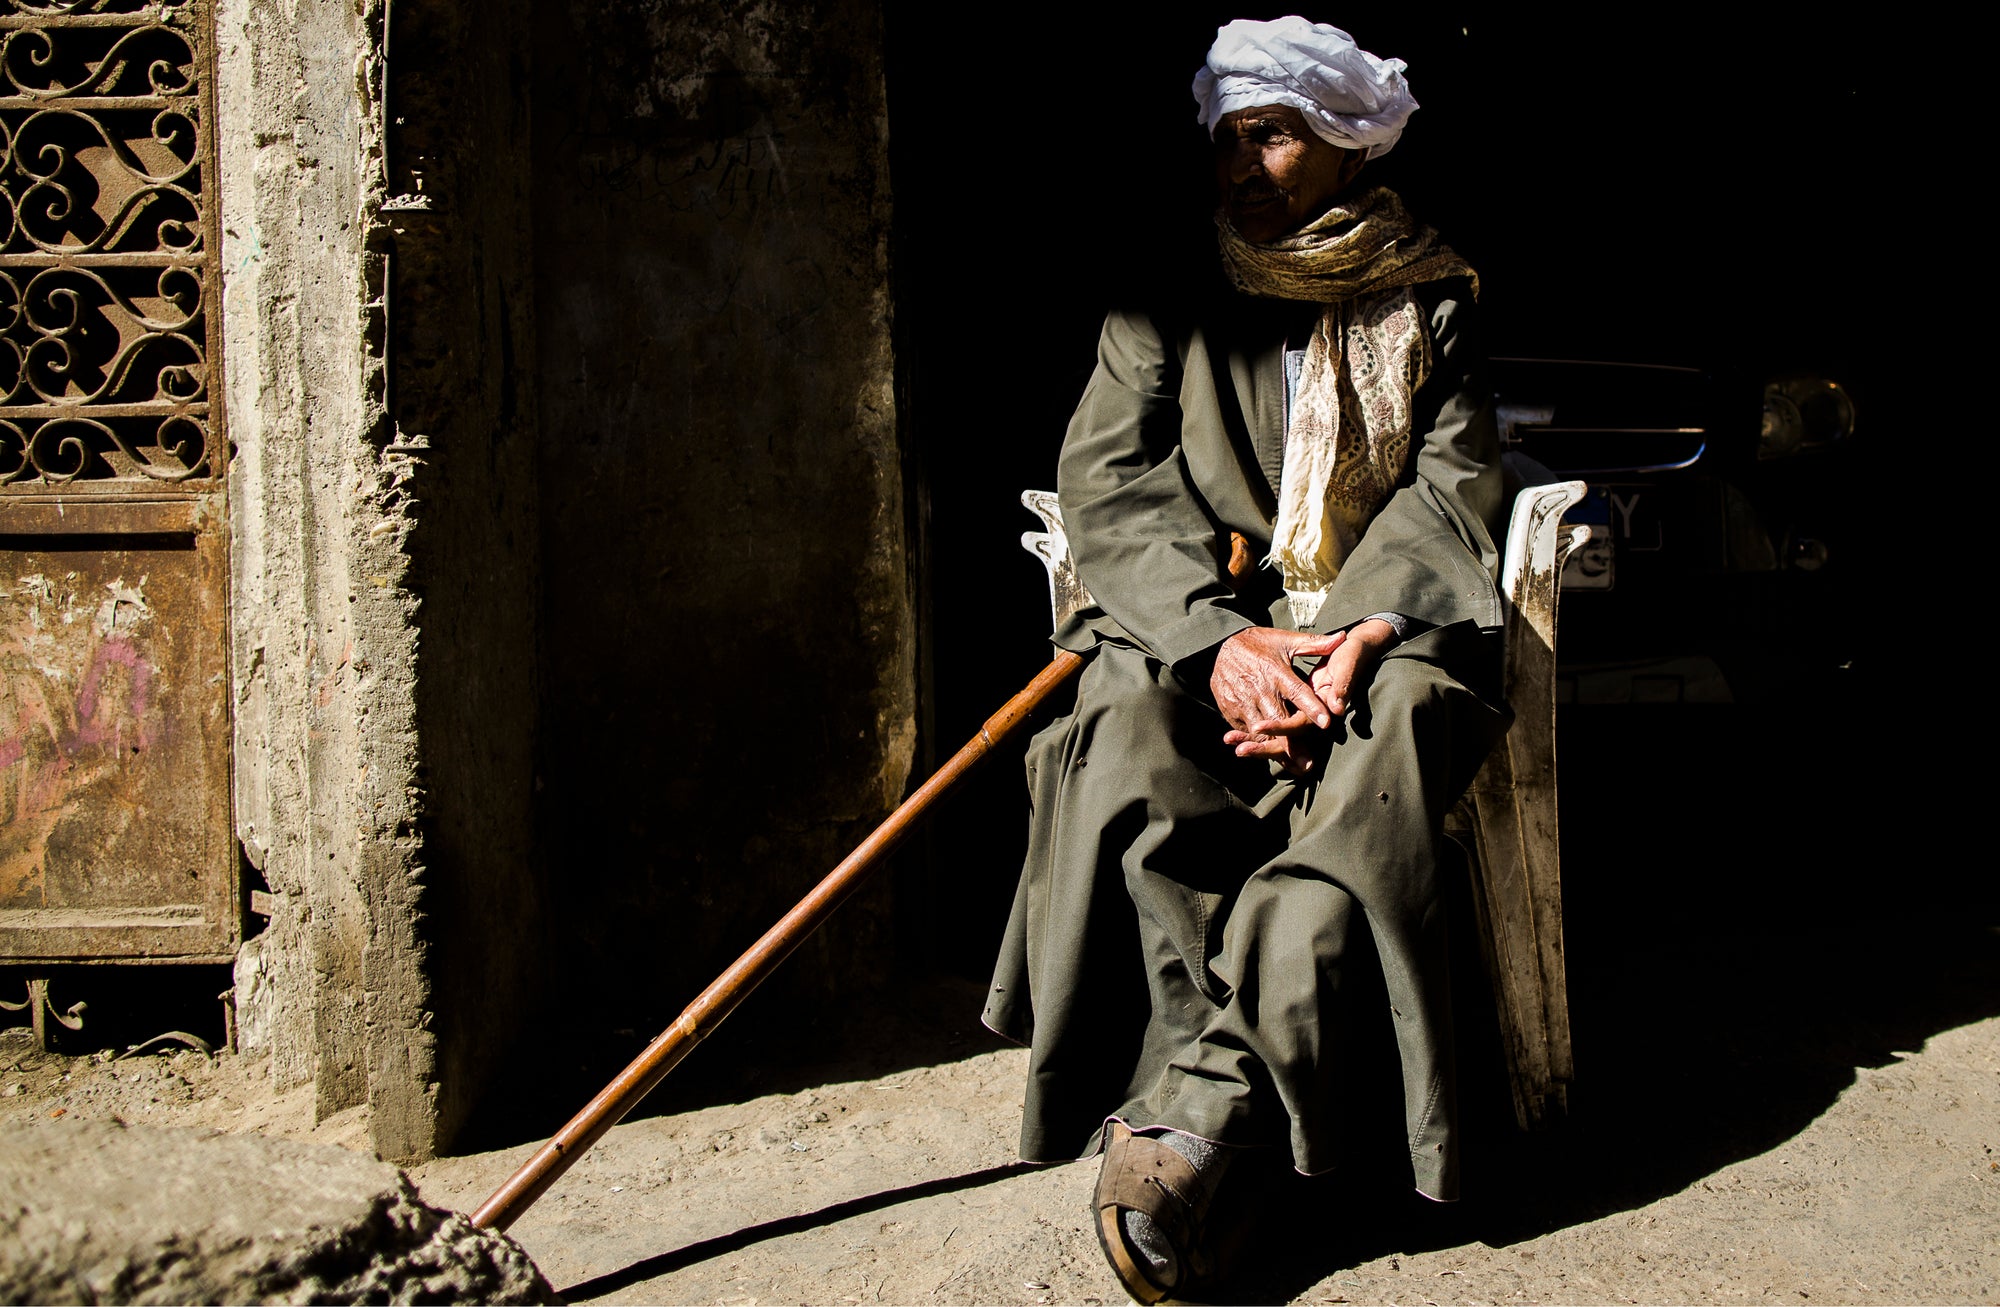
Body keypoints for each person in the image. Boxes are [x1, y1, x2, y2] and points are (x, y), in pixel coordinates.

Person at [981, 16, 1510, 1302]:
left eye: (1271, 136)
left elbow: (1448, 488)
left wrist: (1353, 638)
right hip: (1199, 618)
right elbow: (1107, 478)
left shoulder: (1426, 296)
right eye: (1228, 138)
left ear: (1339, 145)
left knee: (1375, 774)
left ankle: (1196, 1118)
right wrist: (1220, 645)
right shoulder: (1165, 290)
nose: (1241, 165)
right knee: (1129, 746)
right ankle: (1236, 1128)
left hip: (1371, 627)